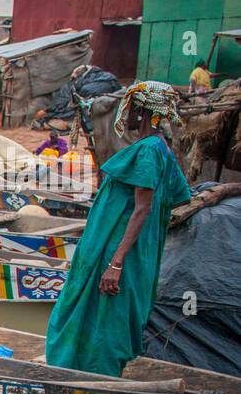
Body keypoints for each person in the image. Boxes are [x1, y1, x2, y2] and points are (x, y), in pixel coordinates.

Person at [44, 81, 191, 377]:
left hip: (117, 250)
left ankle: (90, 384)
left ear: (147, 112)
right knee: (102, 316)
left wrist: (116, 262)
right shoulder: (158, 147)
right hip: (126, 249)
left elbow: (143, 209)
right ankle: (85, 375)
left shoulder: (149, 149)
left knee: (104, 321)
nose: (128, 113)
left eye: (133, 107)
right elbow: (175, 195)